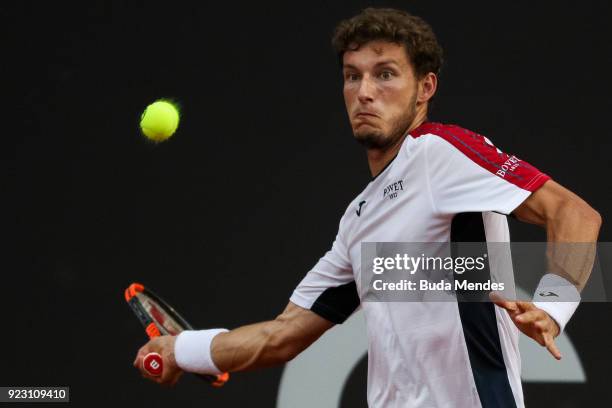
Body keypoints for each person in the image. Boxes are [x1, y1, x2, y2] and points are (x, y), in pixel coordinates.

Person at [133, 8, 601, 408]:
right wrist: (181, 351)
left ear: (425, 87)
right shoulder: (359, 219)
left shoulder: (439, 152)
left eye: (385, 74)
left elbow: (575, 213)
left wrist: (553, 308)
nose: (364, 91)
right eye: (352, 76)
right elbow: (281, 336)